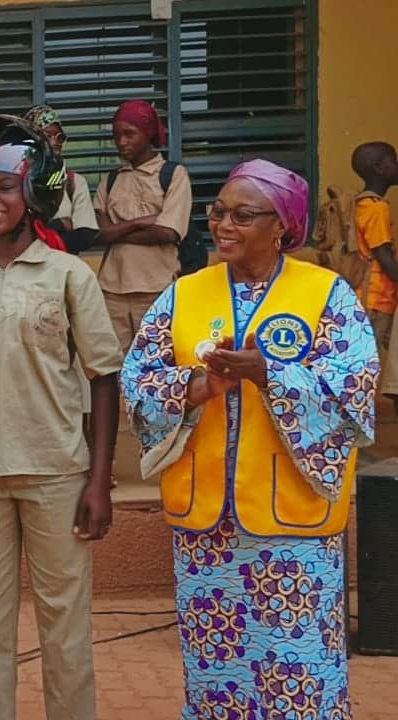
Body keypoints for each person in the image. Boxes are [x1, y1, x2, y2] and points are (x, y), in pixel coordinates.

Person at [122, 159, 378, 718]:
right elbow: (136, 380)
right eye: (218, 212)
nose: (223, 225)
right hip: (207, 525)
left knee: (297, 672)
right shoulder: (185, 294)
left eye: (243, 215)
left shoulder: (326, 295)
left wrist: (272, 375)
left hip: (292, 525)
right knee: (217, 676)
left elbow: (354, 391)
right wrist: (196, 386)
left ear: (281, 225)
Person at [0, 115, 122, 720]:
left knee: (63, 624)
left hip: (57, 473)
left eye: (6, 187)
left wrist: (98, 481)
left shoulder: (69, 275)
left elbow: (103, 377)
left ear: (35, 193)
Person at [94, 100, 193, 352]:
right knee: (113, 367)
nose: (121, 142)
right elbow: (101, 235)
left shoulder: (173, 174)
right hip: (112, 290)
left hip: (156, 288)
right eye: (116, 135)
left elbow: (168, 232)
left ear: (148, 134)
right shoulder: (111, 179)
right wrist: (141, 222)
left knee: (154, 362)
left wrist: (118, 231)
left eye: (129, 134)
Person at [23, 104, 99, 253]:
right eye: (46, 136)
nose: (54, 143)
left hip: (64, 272)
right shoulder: (15, 181)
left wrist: (42, 231)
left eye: (59, 137)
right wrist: (60, 225)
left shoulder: (73, 182)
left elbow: (85, 237)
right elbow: (12, 237)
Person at [349, 142, 398, 352]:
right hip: (376, 298)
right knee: (371, 361)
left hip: (364, 295)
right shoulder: (377, 209)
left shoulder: (361, 204)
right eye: (393, 161)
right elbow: (383, 256)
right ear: (379, 168)